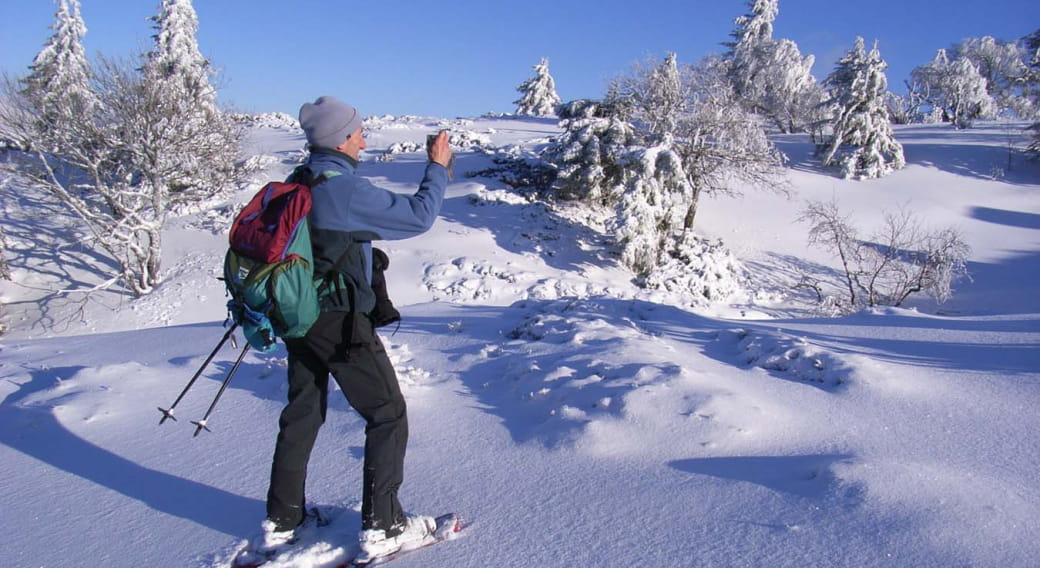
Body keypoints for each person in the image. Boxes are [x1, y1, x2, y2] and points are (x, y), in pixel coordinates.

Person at [258, 95, 453, 564]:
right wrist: (438, 167)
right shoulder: (341, 188)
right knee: (387, 413)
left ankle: (284, 519)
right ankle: (384, 526)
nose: (364, 140)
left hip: (298, 315)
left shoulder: (301, 179)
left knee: (303, 411)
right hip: (340, 321)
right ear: (342, 138)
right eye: (359, 132)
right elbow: (418, 217)